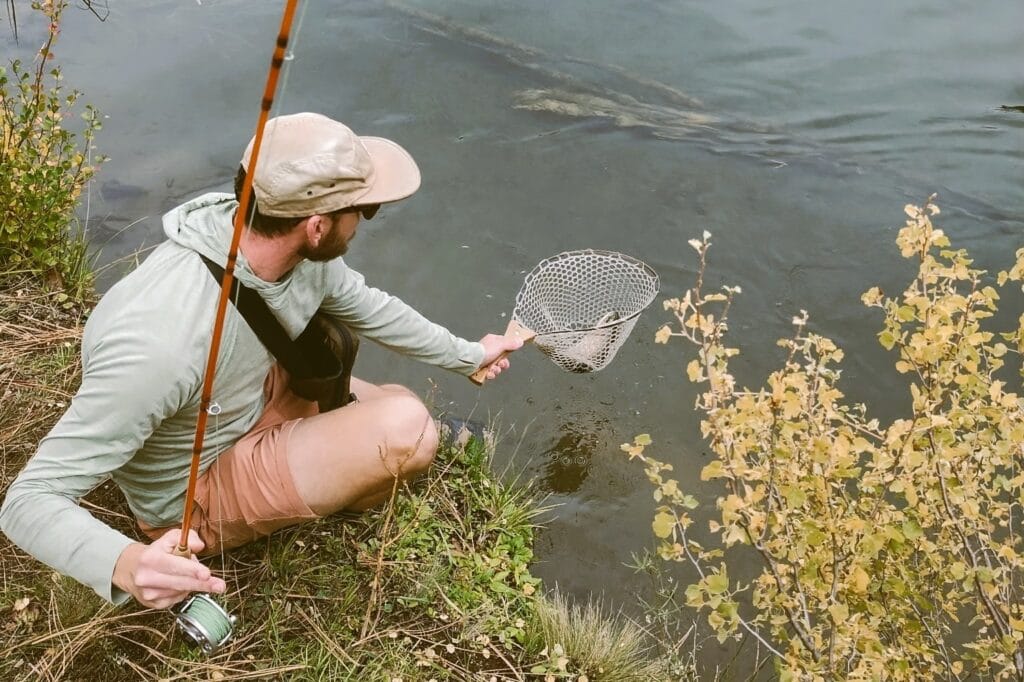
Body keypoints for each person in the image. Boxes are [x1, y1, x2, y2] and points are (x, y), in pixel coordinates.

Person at [0, 112, 521, 610]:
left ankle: (349, 449)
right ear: (316, 226)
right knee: (410, 428)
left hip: (240, 399)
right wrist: (128, 564)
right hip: (194, 488)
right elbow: (28, 499)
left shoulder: (284, 246)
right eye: (364, 210)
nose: (364, 222)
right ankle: (360, 487)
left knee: (397, 400)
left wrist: (469, 355)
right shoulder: (159, 346)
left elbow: (369, 307)